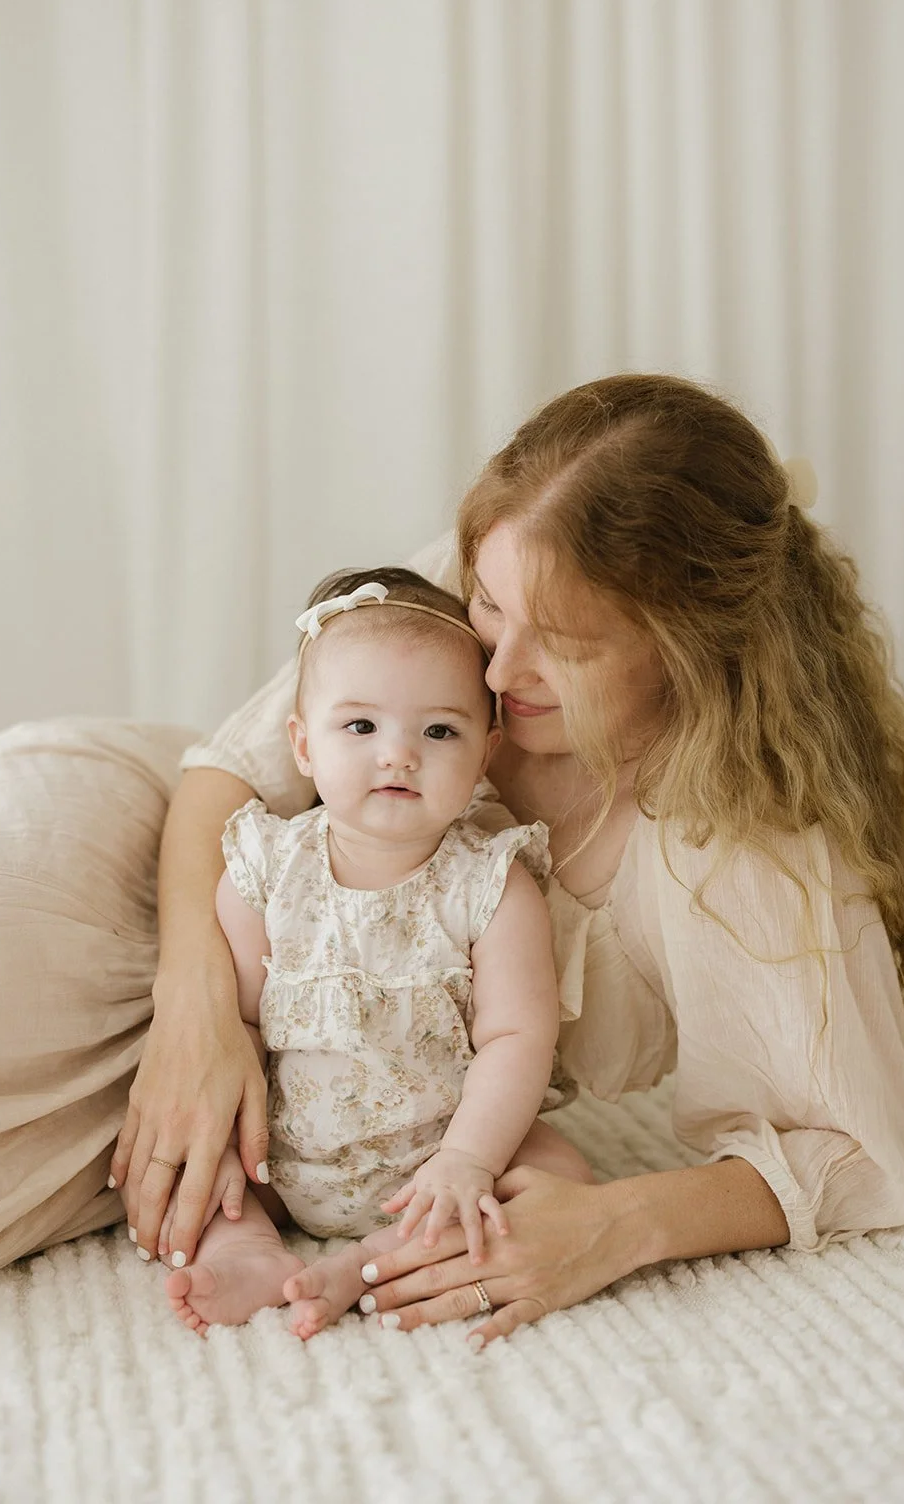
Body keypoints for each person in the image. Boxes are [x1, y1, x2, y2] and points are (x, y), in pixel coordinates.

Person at [0, 374, 904, 1339]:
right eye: (488, 603)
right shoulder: (509, 573)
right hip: (144, 892)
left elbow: (853, 1155)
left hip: (308, 1086)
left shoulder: (741, 848)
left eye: (565, 645)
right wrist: (195, 1008)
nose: (496, 666)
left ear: (688, 645)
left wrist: (617, 1223)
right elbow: (222, 777)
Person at [152, 567, 590, 1338]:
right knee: (207, 1176)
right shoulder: (264, 872)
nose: (398, 756)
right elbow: (240, 1031)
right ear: (302, 745)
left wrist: (468, 1161)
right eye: (360, 728)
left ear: (485, 753)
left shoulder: (491, 886)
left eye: (438, 731)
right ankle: (252, 1248)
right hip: (286, 1158)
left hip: (438, 1158)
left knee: (559, 1174)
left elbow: (518, 1037)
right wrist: (227, 1142)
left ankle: (369, 1263)